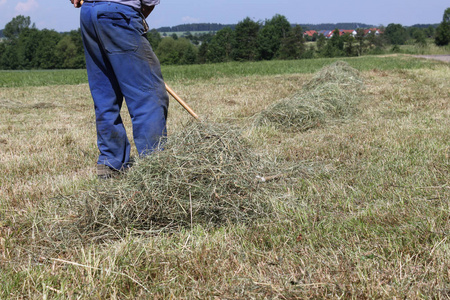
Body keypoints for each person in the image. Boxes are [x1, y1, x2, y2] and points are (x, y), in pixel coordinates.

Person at [70, 0, 169, 178]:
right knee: (149, 97)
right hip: (119, 15)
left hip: (90, 14)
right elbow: (148, 2)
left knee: (105, 94)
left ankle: (111, 164)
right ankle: (156, 169)